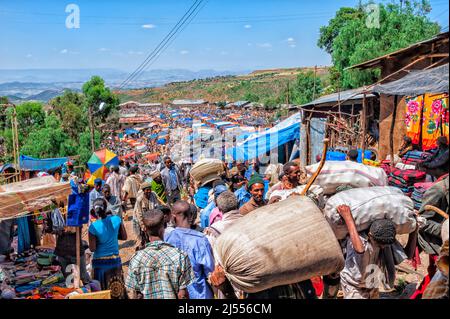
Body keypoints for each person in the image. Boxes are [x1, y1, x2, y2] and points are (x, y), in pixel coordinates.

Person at [125, 209, 195, 299]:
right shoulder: (180, 256)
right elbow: (182, 294)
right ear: (164, 228)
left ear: (145, 230)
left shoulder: (136, 259)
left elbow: (137, 294)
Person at [337, 205, 398, 299]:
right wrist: (348, 217)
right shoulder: (359, 239)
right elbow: (359, 249)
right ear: (370, 235)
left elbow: (408, 254)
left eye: (384, 245)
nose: (382, 247)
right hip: (354, 285)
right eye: (379, 244)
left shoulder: (385, 240)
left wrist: (415, 230)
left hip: (372, 284)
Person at [165, 200, 215, 299]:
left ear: (173, 217)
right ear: (190, 216)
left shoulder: (167, 238)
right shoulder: (200, 240)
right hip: (200, 294)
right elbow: (209, 271)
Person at [88, 198, 128, 299]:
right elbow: (124, 237)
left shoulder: (93, 227)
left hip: (100, 264)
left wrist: (99, 239)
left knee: (102, 292)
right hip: (115, 261)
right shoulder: (117, 219)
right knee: (117, 289)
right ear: (106, 208)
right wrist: (112, 236)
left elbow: (92, 248)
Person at [133, 182, 160, 248]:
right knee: (143, 236)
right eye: (147, 190)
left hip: (151, 218)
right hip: (141, 219)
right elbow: (139, 214)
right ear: (143, 190)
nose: (149, 191)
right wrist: (142, 225)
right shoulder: (139, 199)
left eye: (150, 189)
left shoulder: (153, 195)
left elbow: (157, 207)